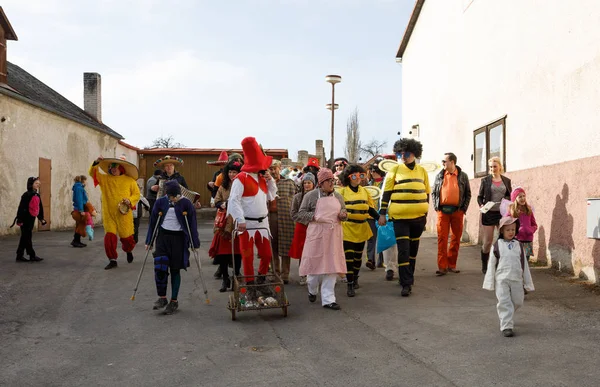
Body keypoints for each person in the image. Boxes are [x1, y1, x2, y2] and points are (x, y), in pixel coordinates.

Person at [378, 138, 430, 297]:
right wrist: (382, 213)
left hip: (418, 218)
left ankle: (408, 275)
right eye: (400, 154)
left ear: (414, 153)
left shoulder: (422, 171)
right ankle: (405, 282)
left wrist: (425, 214)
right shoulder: (394, 170)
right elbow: (386, 193)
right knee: (403, 249)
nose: (403, 156)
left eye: (406, 153)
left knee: (413, 250)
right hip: (400, 217)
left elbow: (426, 193)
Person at [227, 137, 277, 283]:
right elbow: (233, 200)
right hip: (246, 225)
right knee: (247, 256)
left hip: (263, 224)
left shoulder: (262, 178)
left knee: (267, 254)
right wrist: (240, 220)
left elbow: (271, 195)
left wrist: (270, 180)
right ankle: (249, 283)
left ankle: (261, 278)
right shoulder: (240, 178)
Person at [146, 181, 200, 315]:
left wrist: (195, 243)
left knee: (175, 270)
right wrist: (149, 241)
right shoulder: (160, 203)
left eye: (176, 195)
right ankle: (162, 298)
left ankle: (174, 301)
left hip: (179, 239)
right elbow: (153, 222)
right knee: (160, 267)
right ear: (166, 194)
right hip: (163, 238)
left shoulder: (186, 203)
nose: (174, 198)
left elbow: (192, 224)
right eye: (172, 196)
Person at [296, 168, 347, 310]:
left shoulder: (338, 196)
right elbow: (300, 213)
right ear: (321, 182)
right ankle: (312, 289)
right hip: (316, 234)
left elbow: (344, 210)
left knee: (332, 266)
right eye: (329, 181)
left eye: (332, 180)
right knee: (314, 266)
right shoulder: (311, 196)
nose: (332, 183)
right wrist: (314, 217)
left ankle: (329, 299)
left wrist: (343, 215)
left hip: (333, 235)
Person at [483, 216, 535, 337]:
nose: (511, 232)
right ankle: (506, 326)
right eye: (508, 230)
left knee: (518, 301)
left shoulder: (518, 245)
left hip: (516, 278)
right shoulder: (497, 246)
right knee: (504, 302)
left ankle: (508, 314)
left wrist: (527, 283)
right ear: (501, 231)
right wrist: (490, 282)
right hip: (501, 279)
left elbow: (524, 265)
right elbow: (491, 264)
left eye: (513, 229)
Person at [89, 156, 140, 269]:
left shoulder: (129, 180)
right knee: (109, 237)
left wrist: (130, 200)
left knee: (127, 238)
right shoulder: (105, 179)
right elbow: (93, 174)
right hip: (109, 214)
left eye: (115, 167)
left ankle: (128, 251)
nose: (113, 169)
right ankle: (112, 260)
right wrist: (96, 162)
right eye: (111, 168)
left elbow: (136, 194)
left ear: (121, 168)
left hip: (124, 214)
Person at [339, 164, 379, 297]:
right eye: (354, 175)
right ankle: (350, 284)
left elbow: (369, 208)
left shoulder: (364, 191)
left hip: (362, 228)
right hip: (347, 228)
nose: (358, 178)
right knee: (349, 258)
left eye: (361, 175)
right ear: (348, 177)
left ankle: (355, 277)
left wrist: (379, 218)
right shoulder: (342, 192)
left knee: (357, 258)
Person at [431, 152, 472, 275]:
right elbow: (434, 193)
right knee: (442, 239)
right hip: (442, 212)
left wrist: (463, 209)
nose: (442, 163)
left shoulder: (463, 176)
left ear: (452, 162)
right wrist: (436, 207)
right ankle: (442, 267)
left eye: (445, 161)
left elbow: (468, 194)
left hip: (457, 212)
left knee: (455, 239)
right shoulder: (439, 176)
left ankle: (452, 264)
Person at [208, 160, 243, 292]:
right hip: (223, 224)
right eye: (230, 172)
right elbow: (217, 201)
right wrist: (222, 204)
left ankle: (235, 276)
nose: (232, 174)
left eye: (235, 172)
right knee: (222, 253)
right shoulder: (223, 187)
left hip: (238, 222)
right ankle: (224, 278)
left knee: (238, 252)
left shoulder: (243, 186)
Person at [478, 156, 512, 274]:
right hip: (488, 213)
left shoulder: (506, 181)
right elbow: (479, 197)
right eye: (491, 167)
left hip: (502, 213)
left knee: (501, 239)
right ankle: (484, 265)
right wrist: (481, 205)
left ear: (499, 167)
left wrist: (506, 200)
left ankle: (499, 264)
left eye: (495, 166)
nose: (493, 168)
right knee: (488, 241)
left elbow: (510, 195)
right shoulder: (485, 181)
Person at [268, 159, 297, 284]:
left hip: (286, 218)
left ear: (280, 168)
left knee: (286, 244)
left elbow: (294, 199)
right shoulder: (265, 184)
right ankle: (275, 272)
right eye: (270, 169)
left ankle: (285, 274)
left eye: (275, 168)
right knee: (272, 245)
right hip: (270, 217)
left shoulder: (288, 183)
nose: (273, 171)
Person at [289, 172, 316, 286]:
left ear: (313, 184)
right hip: (301, 227)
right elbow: (293, 214)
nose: (307, 185)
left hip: (314, 226)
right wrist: (306, 219)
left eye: (309, 182)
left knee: (314, 251)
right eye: (305, 182)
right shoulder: (297, 197)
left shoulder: (318, 196)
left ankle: (313, 274)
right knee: (302, 252)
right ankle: (303, 274)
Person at [12, 177, 47, 262]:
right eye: (36, 183)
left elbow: (38, 208)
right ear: (31, 184)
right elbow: (21, 207)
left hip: (31, 219)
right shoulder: (26, 195)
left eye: (39, 184)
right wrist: (20, 219)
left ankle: (20, 255)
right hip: (25, 219)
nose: (38, 185)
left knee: (25, 237)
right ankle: (31, 255)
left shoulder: (36, 195)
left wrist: (41, 219)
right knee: (27, 237)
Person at [366, 158, 385, 269]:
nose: (372, 173)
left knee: (382, 238)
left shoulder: (385, 183)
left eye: (374, 170)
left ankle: (381, 260)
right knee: (371, 238)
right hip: (370, 215)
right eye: (371, 170)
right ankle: (370, 260)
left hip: (381, 213)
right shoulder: (369, 184)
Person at [508, 187, 538, 262]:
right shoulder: (512, 211)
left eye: (524, 196)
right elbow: (507, 224)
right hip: (517, 239)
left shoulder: (529, 210)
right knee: (516, 260)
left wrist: (531, 230)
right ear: (515, 199)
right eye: (520, 196)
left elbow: (534, 224)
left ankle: (524, 273)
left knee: (525, 261)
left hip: (528, 239)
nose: (522, 198)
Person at [71, 175, 89, 248]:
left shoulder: (79, 187)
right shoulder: (79, 188)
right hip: (79, 209)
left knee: (79, 225)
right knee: (80, 225)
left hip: (78, 208)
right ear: (83, 180)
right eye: (86, 180)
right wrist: (81, 210)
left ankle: (76, 240)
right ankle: (76, 241)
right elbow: (79, 199)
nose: (86, 182)